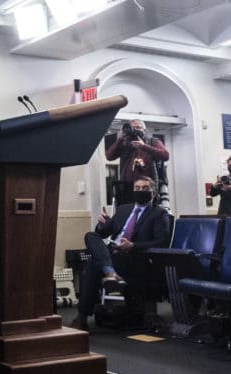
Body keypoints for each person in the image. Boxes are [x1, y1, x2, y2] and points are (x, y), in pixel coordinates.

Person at [71, 176, 171, 330]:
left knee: (92, 265)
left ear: (154, 192)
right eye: (137, 188)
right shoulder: (123, 209)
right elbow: (104, 233)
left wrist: (133, 246)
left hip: (134, 258)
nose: (140, 191)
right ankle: (109, 271)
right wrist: (102, 225)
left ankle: (82, 317)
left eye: (145, 188)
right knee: (91, 236)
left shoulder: (159, 213)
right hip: (113, 253)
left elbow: (162, 242)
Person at [105, 119, 169, 206]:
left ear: (144, 130)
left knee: (146, 215)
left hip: (147, 189)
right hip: (127, 190)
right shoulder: (125, 144)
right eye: (132, 128)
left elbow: (165, 155)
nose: (135, 130)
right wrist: (120, 139)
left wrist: (144, 146)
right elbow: (109, 156)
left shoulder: (152, 142)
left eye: (138, 127)